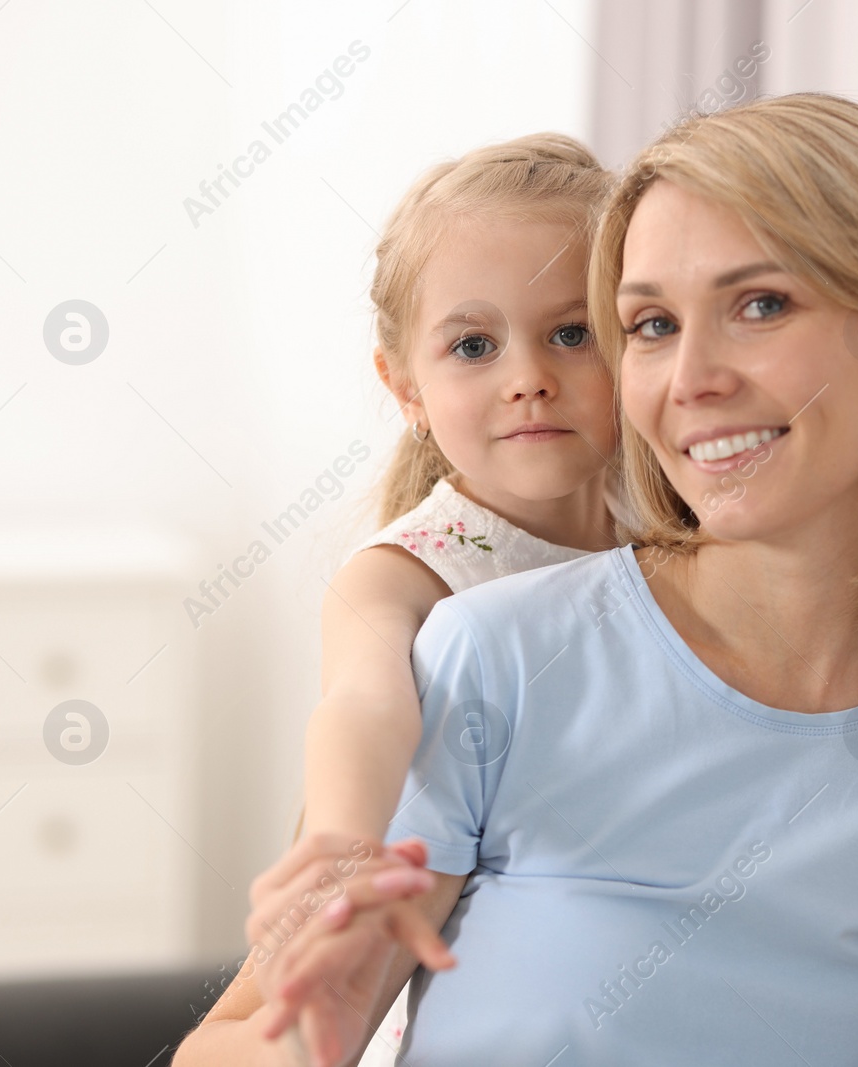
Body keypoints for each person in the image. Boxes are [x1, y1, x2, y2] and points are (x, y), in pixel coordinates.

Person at [191, 92, 858, 1067]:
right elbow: (229, 1042)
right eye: (648, 324)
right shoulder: (492, 654)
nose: (689, 378)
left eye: (758, 304)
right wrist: (309, 1040)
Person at [173, 132, 622, 1066]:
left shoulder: (666, 530)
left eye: (572, 332)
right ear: (405, 386)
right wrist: (343, 841)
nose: (528, 373)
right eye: (473, 344)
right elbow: (364, 701)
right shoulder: (409, 568)